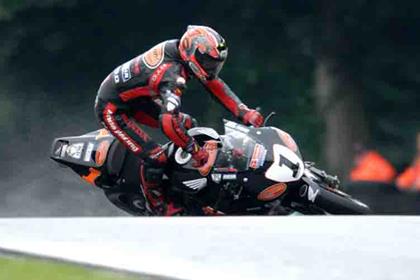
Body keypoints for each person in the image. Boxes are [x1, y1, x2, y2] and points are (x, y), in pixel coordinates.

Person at [94, 25, 264, 215]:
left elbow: (213, 83)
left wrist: (243, 112)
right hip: (113, 108)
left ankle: (179, 177)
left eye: (215, 63)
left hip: (137, 99)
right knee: (156, 156)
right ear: (192, 52)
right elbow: (168, 123)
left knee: (189, 123)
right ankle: (157, 205)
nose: (212, 67)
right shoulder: (172, 75)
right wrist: (196, 151)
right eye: (208, 62)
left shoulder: (179, 51)